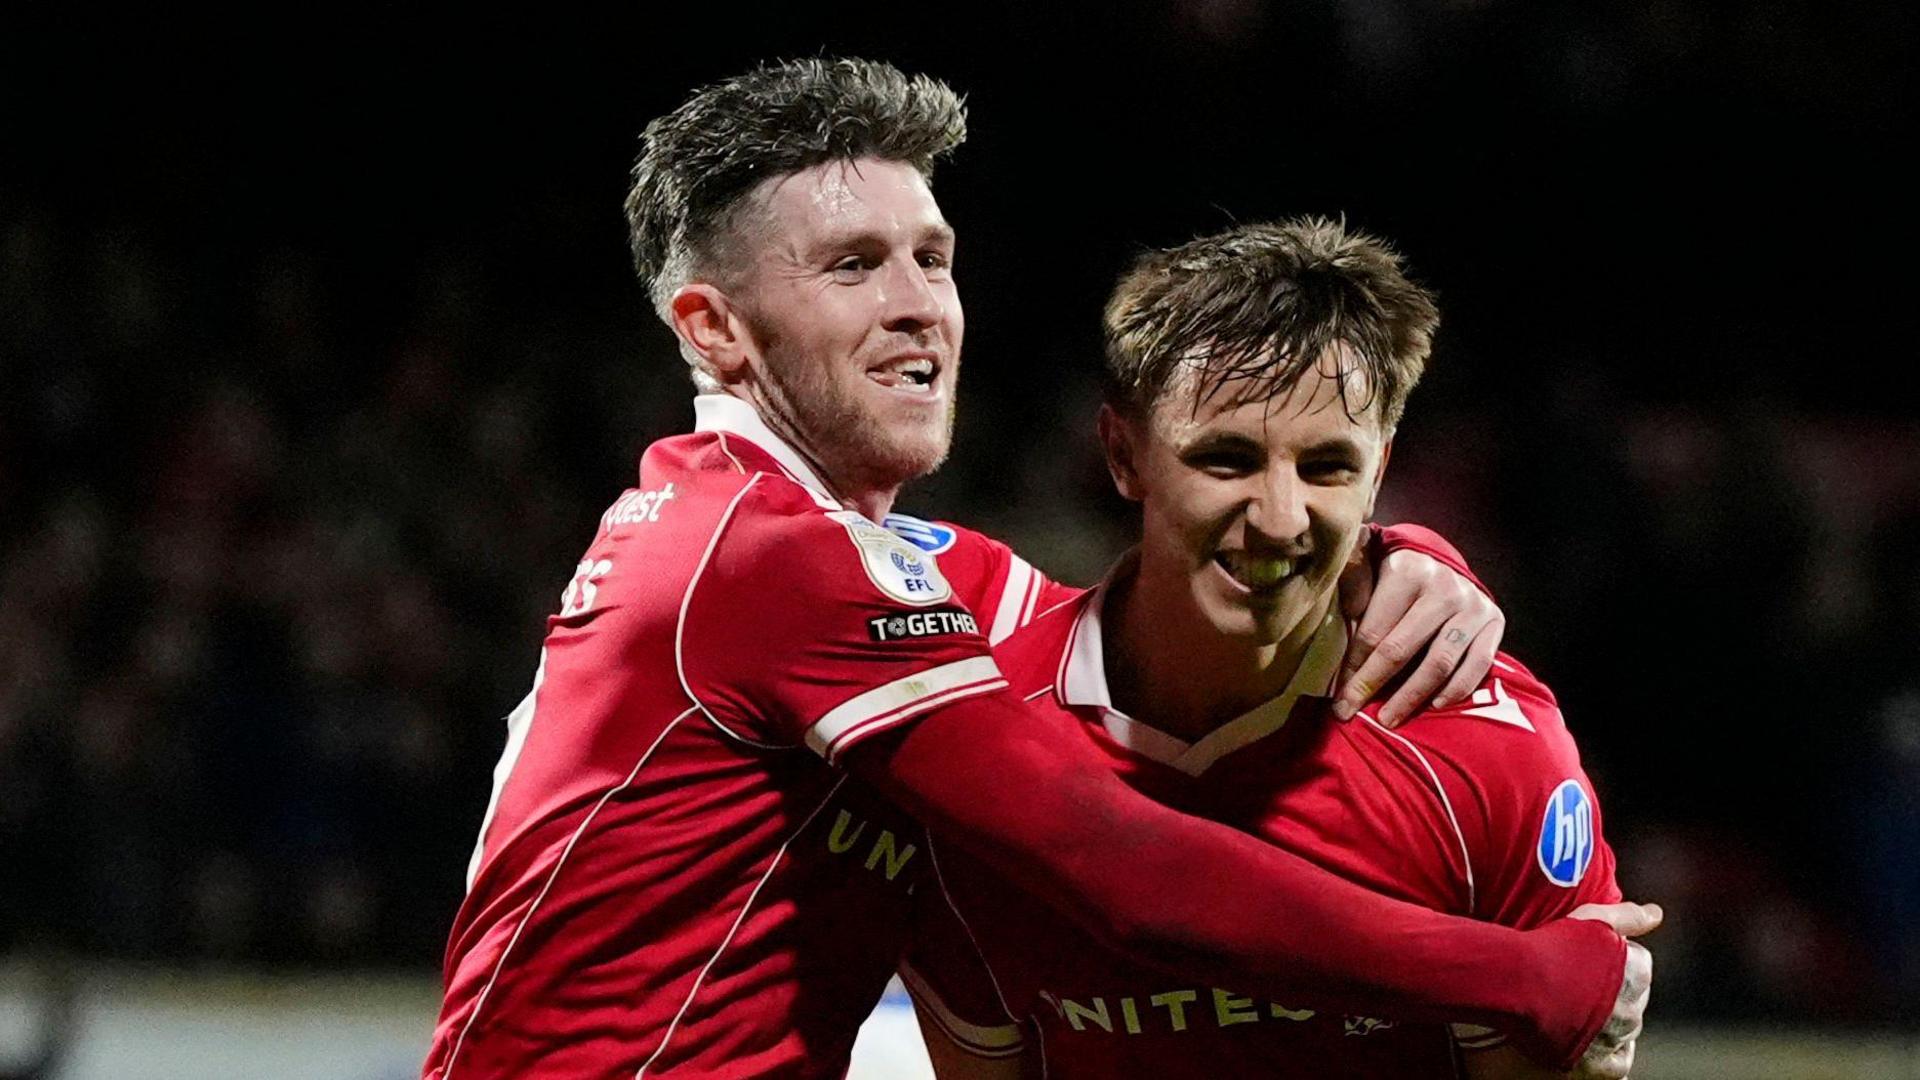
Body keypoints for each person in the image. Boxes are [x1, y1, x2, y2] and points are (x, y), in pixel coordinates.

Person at [422, 60, 1650, 1080]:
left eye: (933, 256)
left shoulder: (841, 557)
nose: (920, 308)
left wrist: (1387, 554)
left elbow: (1095, 605)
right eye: (853, 266)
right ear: (711, 329)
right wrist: (1524, 975)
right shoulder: (761, 556)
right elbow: (1122, 872)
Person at [901, 218, 1653, 1078]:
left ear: (1378, 476)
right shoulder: (970, 731)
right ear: (1122, 454)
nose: (1280, 519)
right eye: (1227, 459)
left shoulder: (1485, 755)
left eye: (1328, 467)